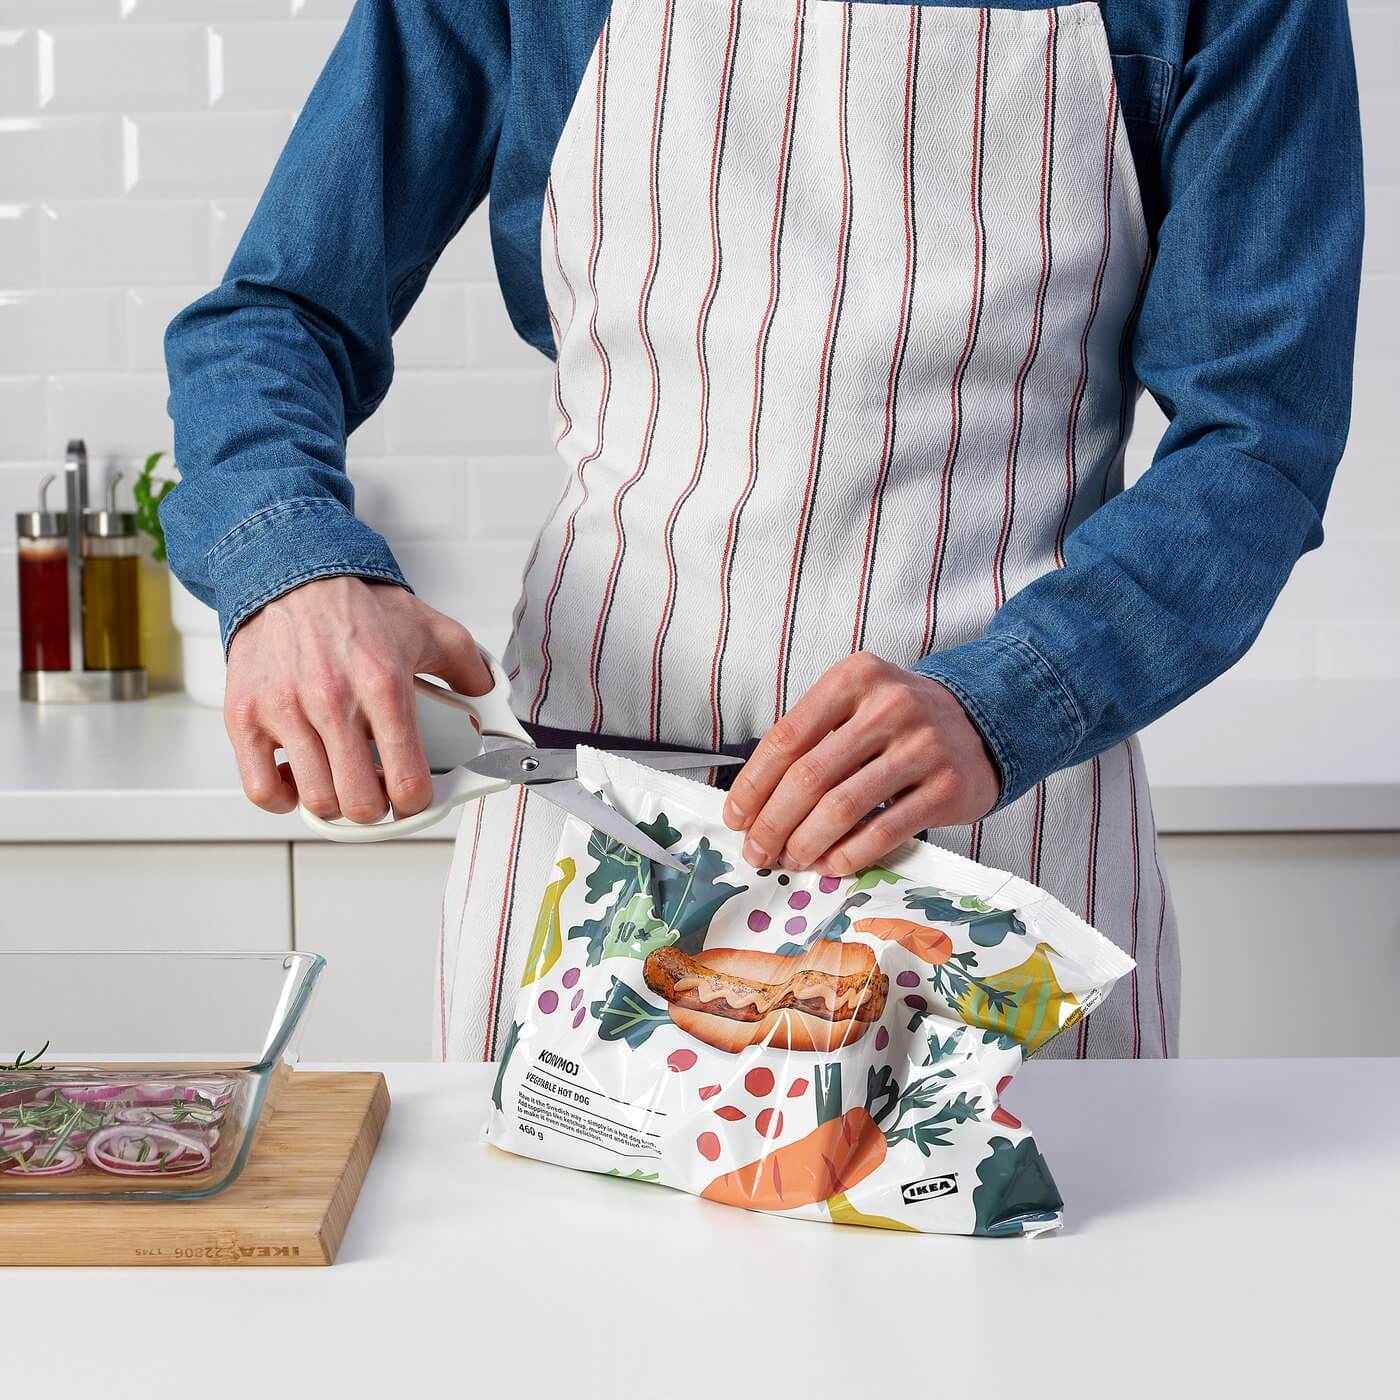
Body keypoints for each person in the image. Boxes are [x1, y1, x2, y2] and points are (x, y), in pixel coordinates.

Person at [162, 0, 1363, 1064]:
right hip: (586, 830)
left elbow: (1256, 439)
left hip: (997, 841)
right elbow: (276, 314)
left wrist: (1008, 699)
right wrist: (292, 567)